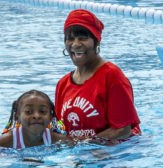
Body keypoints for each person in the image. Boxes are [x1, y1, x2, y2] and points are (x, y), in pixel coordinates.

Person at [55, 9, 141, 142]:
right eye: (70, 39)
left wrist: (87, 144)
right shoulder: (63, 84)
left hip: (117, 153)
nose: (76, 44)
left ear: (97, 42)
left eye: (83, 38)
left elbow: (123, 129)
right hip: (82, 155)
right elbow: (60, 130)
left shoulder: (112, 76)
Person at [0, 89, 67, 149]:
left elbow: (77, 144)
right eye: (28, 112)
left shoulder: (55, 138)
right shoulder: (8, 139)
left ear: (50, 117)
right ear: (17, 117)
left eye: (43, 111)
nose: (36, 116)